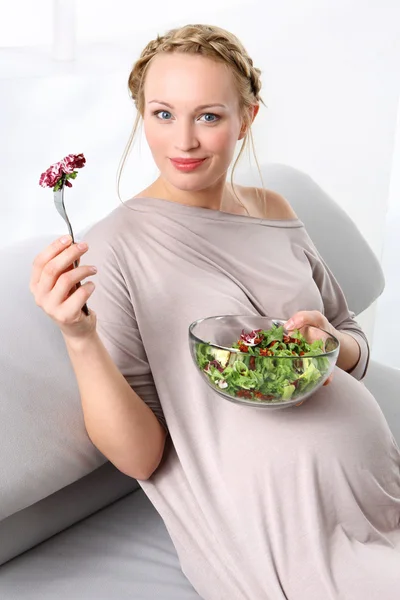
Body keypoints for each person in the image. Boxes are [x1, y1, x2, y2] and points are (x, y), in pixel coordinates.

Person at [30, 23, 400, 600]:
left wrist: (331, 340)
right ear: (140, 116)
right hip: (287, 536)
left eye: (208, 116)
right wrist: (79, 337)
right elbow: (139, 456)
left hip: (381, 494)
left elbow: (348, 343)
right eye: (162, 114)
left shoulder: (274, 209)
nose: (184, 141)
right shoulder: (115, 247)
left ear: (246, 119)